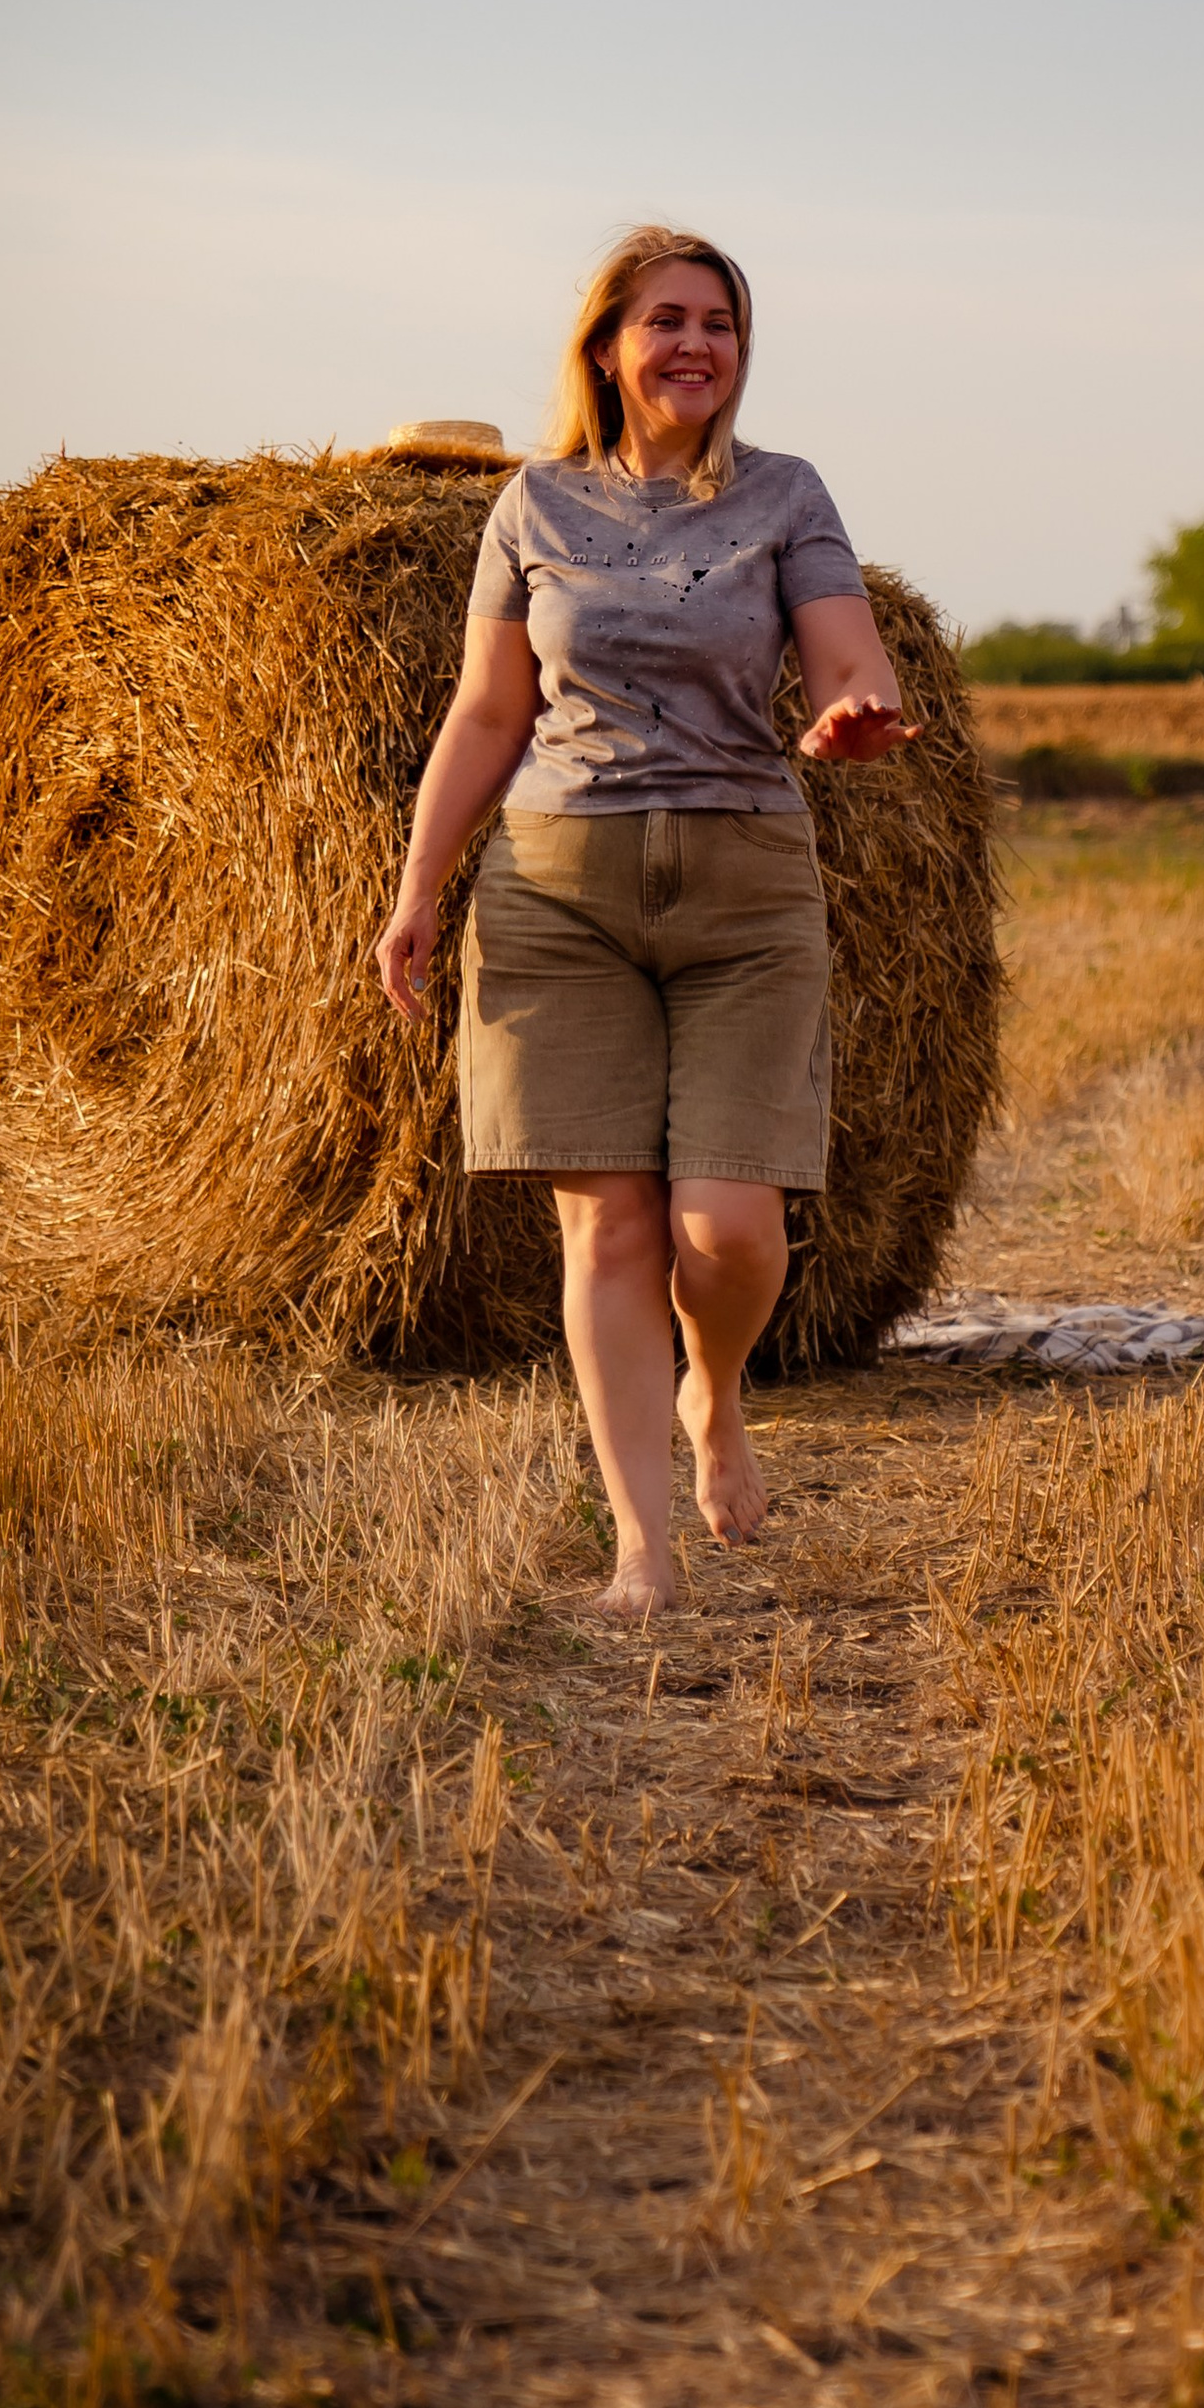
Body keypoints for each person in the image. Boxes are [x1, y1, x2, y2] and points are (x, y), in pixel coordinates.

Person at [375, 226, 911, 1615]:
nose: (695, 345)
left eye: (720, 324)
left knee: (729, 1230)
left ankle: (715, 1392)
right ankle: (641, 1552)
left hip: (745, 882)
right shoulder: (535, 507)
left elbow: (848, 646)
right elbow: (489, 713)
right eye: (668, 320)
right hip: (558, 889)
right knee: (608, 1232)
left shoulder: (785, 497)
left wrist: (853, 707)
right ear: (609, 347)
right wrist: (418, 889)